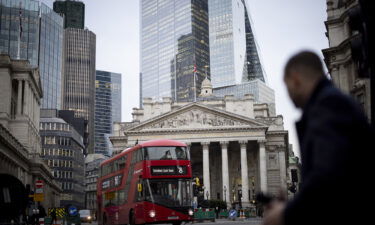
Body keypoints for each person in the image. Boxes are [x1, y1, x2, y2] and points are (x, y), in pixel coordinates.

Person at [262, 51, 374, 225]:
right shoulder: (331, 103)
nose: (289, 94)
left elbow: (328, 179)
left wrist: (286, 213)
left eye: (287, 86)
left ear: (296, 79)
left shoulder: (330, 106)